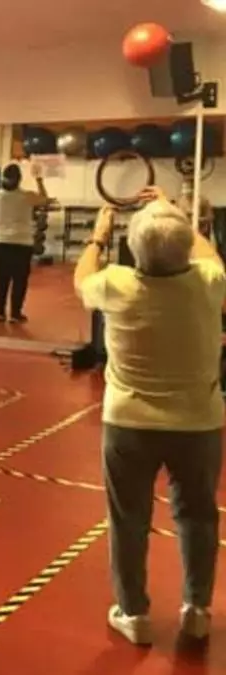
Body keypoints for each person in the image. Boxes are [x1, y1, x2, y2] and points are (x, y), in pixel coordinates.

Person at [74, 186, 225, 646]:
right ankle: (196, 609)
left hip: (129, 424)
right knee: (198, 516)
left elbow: (82, 278)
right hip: (198, 422)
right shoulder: (208, 282)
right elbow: (206, 252)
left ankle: (134, 612)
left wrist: (99, 236)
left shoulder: (115, 284)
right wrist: (173, 213)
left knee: (128, 519)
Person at [0, 163, 49, 323]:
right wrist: (39, 179)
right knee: (19, 279)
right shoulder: (27, 196)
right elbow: (44, 200)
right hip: (20, 242)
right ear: (19, 180)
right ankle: (15, 314)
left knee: (1, 278)